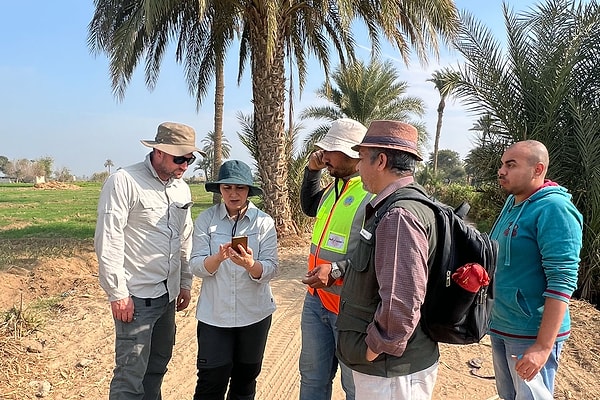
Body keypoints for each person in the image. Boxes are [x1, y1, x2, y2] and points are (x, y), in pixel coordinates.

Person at [95, 121, 203, 399]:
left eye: (189, 159)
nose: (185, 166)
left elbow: (184, 238)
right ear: (158, 152)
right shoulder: (124, 181)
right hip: (136, 298)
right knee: (130, 375)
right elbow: (108, 239)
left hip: (167, 297)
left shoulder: (181, 189)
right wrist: (117, 293)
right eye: (179, 158)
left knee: (157, 367)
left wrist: (185, 283)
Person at [336, 120, 440, 400]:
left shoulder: (398, 216)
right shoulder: (412, 204)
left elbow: (402, 301)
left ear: (380, 160)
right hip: (394, 366)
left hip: (390, 371)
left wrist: (373, 348)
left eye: (360, 158)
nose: (358, 167)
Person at [489, 140, 583, 400]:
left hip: (530, 333)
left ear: (537, 169)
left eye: (511, 165)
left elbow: (562, 279)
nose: (501, 171)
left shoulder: (555, 209)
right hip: (502, 324)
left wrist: (542, 347)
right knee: (507, 396)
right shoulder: (513, 204)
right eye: (502, 164)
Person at [190, 160, 278, 400]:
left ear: (249, 190)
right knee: (210, 381)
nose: (233, 193)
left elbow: (271, 268)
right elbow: (196, 264)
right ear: (219, 189)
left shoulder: (264, 223)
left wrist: (251, 265)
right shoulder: (206, 220)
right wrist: (217, 258)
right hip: (214, 315)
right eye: (227, 187)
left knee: (245, 380)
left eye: (239, 188)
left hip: (254, 315)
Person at [299, 118, 371, 400]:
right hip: (316, 300)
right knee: (313, 377)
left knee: (354, 387)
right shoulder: (333, 188)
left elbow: (376, 254)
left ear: (356, 154)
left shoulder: (370, 193)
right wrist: (311, 171)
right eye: (323, 150)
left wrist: (338, 271)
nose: (324, 156)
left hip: (349, 308)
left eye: (331, 151)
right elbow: (308, 207)